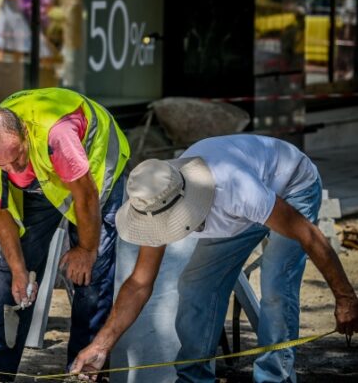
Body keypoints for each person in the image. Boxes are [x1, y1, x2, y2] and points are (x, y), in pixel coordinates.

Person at [71, 134, 358, 382]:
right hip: (238, 212)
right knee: (196, 286)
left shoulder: (236, 190)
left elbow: (309, 236)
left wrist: (345, 297)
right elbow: (139, 283)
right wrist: (101, 345)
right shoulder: (155, 201)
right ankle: (193, 378)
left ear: (187, 204)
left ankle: (274, 377)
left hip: (290, 187)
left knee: (276, 287)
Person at [0, 87, 131, 378]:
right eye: (1, 164)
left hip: (92, 171)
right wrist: (18, 269)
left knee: (90, 277)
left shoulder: (57, 135)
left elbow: (87, 196)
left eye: (17, 156)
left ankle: (84, 370)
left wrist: (87, 250)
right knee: (12, 277)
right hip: (42, 181)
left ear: (25, 134)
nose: (13, 167)